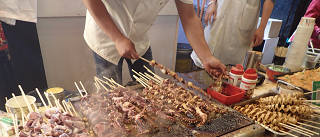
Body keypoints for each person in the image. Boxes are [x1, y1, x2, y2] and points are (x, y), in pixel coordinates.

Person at [82, 0, 226, 85]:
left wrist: (207, 58)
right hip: (106, 34)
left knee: (151, 88)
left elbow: (189, 17)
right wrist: (117, 38)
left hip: (139, 38)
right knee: (111, 97)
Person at [191, 0, 276, 67]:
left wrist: (262, 27)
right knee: (204, 57)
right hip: (218, 11)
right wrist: (211, 3)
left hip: (243, 21)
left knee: (231, 70)